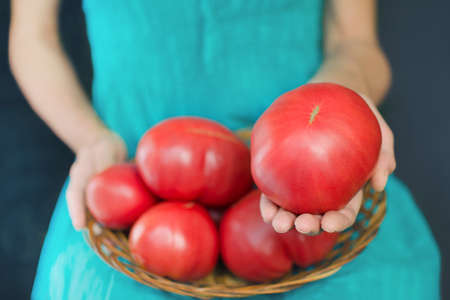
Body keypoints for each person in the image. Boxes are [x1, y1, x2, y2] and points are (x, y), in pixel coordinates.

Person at [9, 0, 440, 299]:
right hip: (134, 174)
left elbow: (356, 41)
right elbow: (33, 39)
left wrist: (342, 100)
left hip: (312, 169)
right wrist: (92, 139)